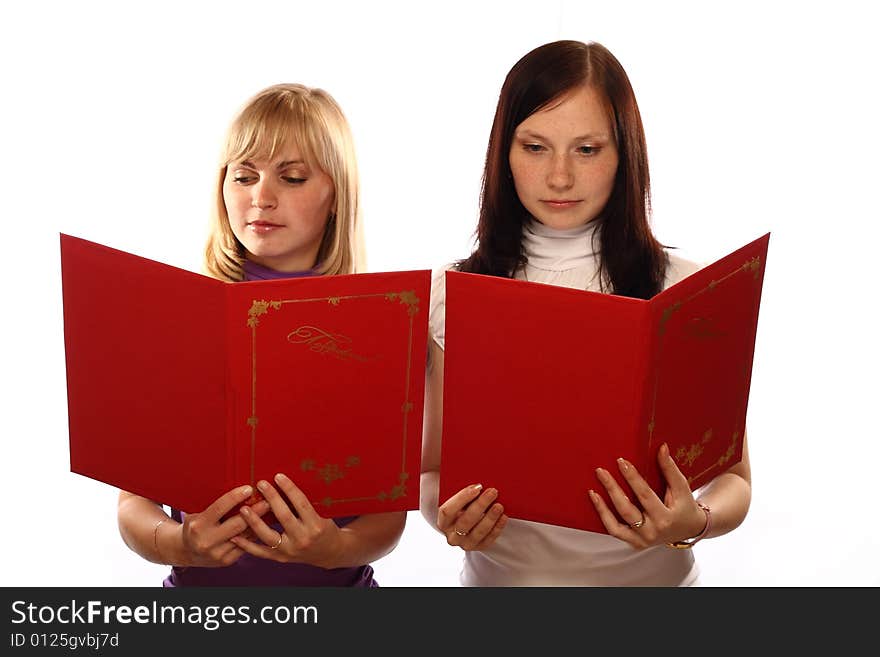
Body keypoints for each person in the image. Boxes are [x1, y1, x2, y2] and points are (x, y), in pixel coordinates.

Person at [419, 40, 752, 586]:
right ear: (503, 152)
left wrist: (696, 520)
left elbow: (734, 478)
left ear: (625, 154)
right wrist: (448, 519)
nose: (559, 177)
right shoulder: (449, 293)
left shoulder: (686, 290)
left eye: (587, 149)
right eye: (534, 147)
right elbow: (433, 471)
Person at [118, 83, 404, 586]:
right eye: (243, 176)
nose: (261, 197)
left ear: (338, 193)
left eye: (291, 178)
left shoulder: (378, 323)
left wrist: (336, 548)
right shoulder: (177, 317)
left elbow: (386, 520)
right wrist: (180, 543)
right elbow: (131, 506)